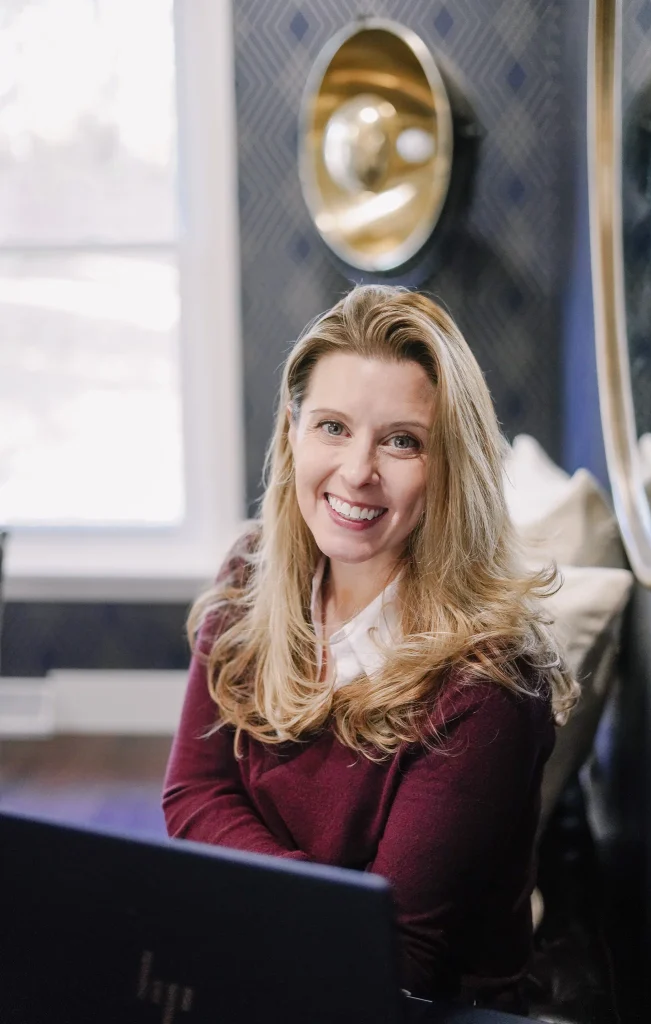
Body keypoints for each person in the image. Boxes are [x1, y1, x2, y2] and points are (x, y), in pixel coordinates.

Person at [162, 284, 578, 1007]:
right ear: (292, 434)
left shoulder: (492, 684)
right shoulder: (248, 576)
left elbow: (394, 952)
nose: (357, 471)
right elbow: (192, 793)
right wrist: (309, 911)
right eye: (331, 427)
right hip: (267, 963)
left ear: (449, 466)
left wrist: (252, 898)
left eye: (400, 441)